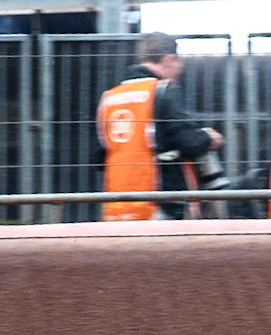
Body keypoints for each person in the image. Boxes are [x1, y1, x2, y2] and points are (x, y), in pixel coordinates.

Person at [96, 32, 224, 221]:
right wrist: (208, 137)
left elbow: (100, 157)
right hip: (159, 205)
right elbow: (190, 143)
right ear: (169, 60)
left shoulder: (109, 98)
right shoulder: (162, 91)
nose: (179, 71)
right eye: (179, 63)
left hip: (117, 206)